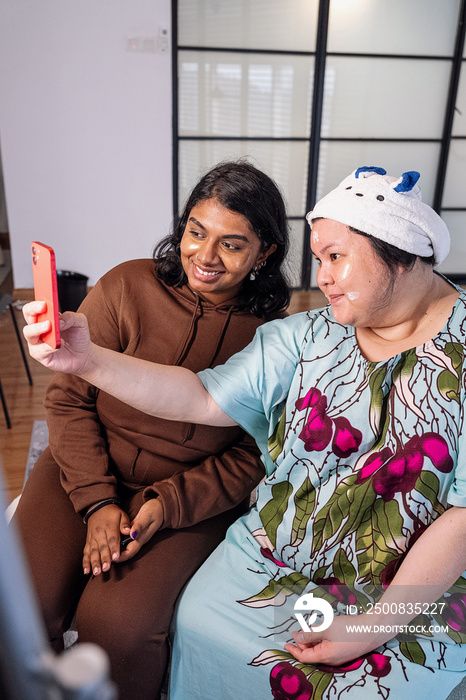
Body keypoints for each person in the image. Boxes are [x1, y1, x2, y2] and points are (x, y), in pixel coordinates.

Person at [22, 166, 466, 699]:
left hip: (404, 585)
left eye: (335, 258)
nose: (321, 277)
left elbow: (462, 517)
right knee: (172, 618)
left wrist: (374, 625)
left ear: (398, 252)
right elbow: (199, 395)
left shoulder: (283, 330)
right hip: (270, 550)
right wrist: (88, 362)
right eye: (318, 257)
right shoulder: (305, 335)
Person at [14, 159, 291, 700]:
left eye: (232, 245)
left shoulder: (273, 341)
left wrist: (167, 504)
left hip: (182, 498)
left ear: (266, 254)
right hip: (83, 466)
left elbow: (252, 455)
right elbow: (69, 398)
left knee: (117, 632)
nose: (205, 258)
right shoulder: (126, 284)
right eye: (196, 232)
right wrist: (96, 502)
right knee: (20, 609)